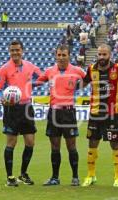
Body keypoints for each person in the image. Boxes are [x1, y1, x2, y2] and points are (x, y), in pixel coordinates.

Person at [0, 40, 42, 186]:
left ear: (22, 51)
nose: (15, 52)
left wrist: (32, 83)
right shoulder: (4, 68)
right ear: (9, 51)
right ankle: (10, 177)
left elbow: (42, 77)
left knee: (30, 142)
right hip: (11, 109)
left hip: (26, 108)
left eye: (17, 50)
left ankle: (23, 174)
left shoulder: (30, 66)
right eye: (12, 50)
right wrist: (2, 98)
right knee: (11, 142)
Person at [36, 44, 86, 186]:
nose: (61, 58)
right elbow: (37, 82)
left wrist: (79, 86)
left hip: (68, 112)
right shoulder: (49, 71)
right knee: (55, 146)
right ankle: (55, 177)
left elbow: (88, 79)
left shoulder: (77, 70)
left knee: (71, 145)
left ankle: (75, 177)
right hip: (54, 112)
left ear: (69, 56)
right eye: (59, 55)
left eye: (64, 55)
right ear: (55, 55)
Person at [81, 44, 118, 187]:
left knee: (114, 144)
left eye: (104, 55)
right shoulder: (91, 69)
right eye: (100, 54)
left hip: (112, 114)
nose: (102, 57)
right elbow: (82, 84)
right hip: (95, 113)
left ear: (110, 55)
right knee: (92, 144)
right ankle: (91, 175)